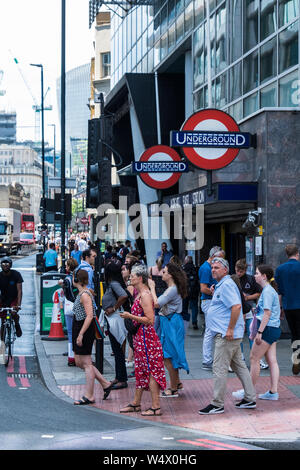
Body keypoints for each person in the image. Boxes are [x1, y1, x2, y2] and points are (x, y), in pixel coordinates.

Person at [199, 257, 256, 414]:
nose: (213, 270)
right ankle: (250, 398)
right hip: (228, 333)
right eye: (212, 267)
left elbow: (236, 306)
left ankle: (217, 403)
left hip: (226, 335)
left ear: (225, 270)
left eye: (217, 267)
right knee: (239, 366)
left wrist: (229, 329)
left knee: (219, 368)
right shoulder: (221, 285)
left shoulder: (227, 285)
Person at [120, 264, 166, 416]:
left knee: (151, 371)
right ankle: (136, 403)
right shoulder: (139, 293)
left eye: (132, 276)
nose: (130, 278)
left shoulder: (145, 295)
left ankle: (155, 406)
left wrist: (130, 316)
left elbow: (150, 320)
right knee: (141, 370)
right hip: (141, 338)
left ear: (140, 278)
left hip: (147, 339)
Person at [232, 265, 281, 402]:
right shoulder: (269, 291)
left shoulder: (267, 291)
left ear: (264, 276)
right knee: (272, 360)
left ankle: (249, 391)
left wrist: (259, 332)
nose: (254, 275)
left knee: (254, 358)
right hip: (272, 329)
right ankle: (273, 392)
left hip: (267, 329)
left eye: (257, 273)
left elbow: (267, 313)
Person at [72, 269, 113, 405]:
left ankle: (89, 395)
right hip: (79, 326)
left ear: (76, 280)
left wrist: (81, 334)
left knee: (87, 363)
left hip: (84, 328)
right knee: (79, 361)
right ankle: (105, 383)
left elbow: (90, 316)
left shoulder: (85, 295)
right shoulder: (82, 293)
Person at [149, 263, 189, 397]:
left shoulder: (172, 289)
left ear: (170, 275)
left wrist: (152, 288)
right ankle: (176, 383)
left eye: (164, 272)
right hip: (170, 322)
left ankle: (173, 388)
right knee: (170, 354)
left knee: (168, 356)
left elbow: (157, 303)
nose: (162, 274)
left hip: (171, 323)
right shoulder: (172, 288)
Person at [235, 259, 267, 369]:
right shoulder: (233, 279)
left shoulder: (251, 279)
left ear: (245, 270)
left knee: (252, 334)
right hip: (236, 310)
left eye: (241, 271)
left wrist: (247, 297)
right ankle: (241, 358)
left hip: (249, 309)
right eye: (237, 271)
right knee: (238, 335)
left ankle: (257, 358)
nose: (239, 273)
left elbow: (258, 293)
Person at [102, 261, 129, 390]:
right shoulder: (113, 283)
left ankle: (122, 379)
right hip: (113, 319)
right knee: (117, 349)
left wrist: (113, 308)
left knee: (118, 350)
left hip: (115, 319)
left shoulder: (113, 283)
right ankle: (119, 377)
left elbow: (123, 296)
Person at [275, 244, 300, 375]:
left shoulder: (280, 269)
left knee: (295, 334)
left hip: (288, 306)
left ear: (286, 255)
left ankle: (296, 358)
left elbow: (280, 291)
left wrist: (280, 308)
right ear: (297, 254)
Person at [198, 246, 224, 370]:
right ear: (213, 256)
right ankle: (207, 360)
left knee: (211, 330)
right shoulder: (205, 268)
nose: (222, 262)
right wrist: (217, 293)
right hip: (208, 301)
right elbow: (203, 288)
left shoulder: (208, 267)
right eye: (220, 259)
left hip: (211, 301)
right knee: (210, 331)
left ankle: (208, 359)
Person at [58, 258, 78, 366]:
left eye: (66, 266)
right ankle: (78, 356)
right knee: (78, 331)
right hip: (78, 306)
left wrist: (61, 284)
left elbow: (65, 292)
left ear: (69, 267)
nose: (65, 268)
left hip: (69, 306)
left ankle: (71, 358)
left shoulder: (67, 279)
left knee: (70, 332)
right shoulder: (78, 277)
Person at [0, 257, 23, 338]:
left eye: (7, 264)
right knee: (3, 320)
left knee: (13, 313)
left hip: (14, 298)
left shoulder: (16, 274)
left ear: (10, 265)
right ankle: (2, 342)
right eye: (3, 264)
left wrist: (18, 305)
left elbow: (19, 291)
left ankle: (17, 324)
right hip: (3, 299)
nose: (5, 266)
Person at [148, 256, 167, 337]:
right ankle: (159, 333)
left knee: (155, 312)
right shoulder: (164, 271)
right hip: (163, 293)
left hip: (154, 293)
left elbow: (149, 281)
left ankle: (154, 332)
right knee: (161, 313)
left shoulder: (151, 269)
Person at [182, 256, 200, 330]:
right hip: (194, 291)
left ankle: (185, 321)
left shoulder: (183, 269)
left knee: (185, 307)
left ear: (186, 261)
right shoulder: (196, 269)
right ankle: (194, 322)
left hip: (185, 291)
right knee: (194, 307)